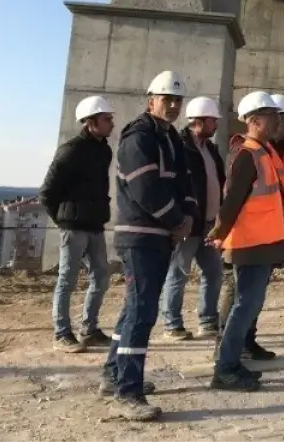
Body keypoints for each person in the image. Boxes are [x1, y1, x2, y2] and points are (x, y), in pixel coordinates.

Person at [100, 71, 195, 423]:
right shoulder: (139, 138)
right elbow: (146, 191)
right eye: (166, 99)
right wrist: (176, 221)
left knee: (133, 310)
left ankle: (114, 375)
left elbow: (184, 183)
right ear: (150, 100)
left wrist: (188, 217)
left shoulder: (170, 138)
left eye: (177, 100)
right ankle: (128, 391)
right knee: (142, 313)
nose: (172, 105)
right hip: (140, 237)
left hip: (159, 236)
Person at [206, 91, 284, 391]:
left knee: (248, 305)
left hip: (262, 243)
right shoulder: (247, 153)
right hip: (250, 244)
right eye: (270, 116)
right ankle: (225, 368)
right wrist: (220, 232)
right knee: (244, 305)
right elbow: (231, 201)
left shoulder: (262, 151)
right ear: (254, 120)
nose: (277, 121)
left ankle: (231, 363)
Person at [40, 95, 115, 353]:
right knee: (67, 280)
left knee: (101, 277)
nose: (111, 123)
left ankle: (90, 329)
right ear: (91, 122)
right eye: (107, 119)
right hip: (73, 227)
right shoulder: (71, 150)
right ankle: (62, 333)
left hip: (95, 226)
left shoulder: (104, 150)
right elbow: (48, 191)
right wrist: (62, 220)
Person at [160, 96, 226, 341]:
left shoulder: (210, 149)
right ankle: (172, 323)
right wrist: (177, 218)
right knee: (178, 274)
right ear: (199, 120)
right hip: (187, 224)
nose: (215, 124)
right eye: (212, 120)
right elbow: (172, 184)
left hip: (208, 225)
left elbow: (218, 181)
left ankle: (208, 320)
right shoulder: (179, 146)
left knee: (213, 272)